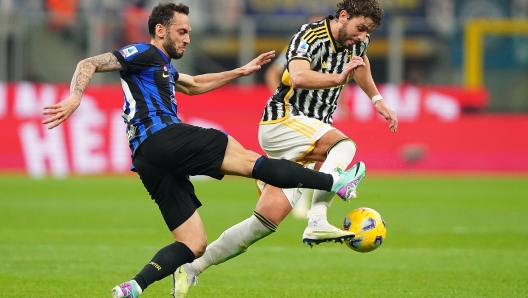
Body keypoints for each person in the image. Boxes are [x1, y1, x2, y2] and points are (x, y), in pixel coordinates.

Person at [41, 3, 365, 298]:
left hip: (146, 159)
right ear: (160, 31)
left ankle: (133, 286)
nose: (187, 39)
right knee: (251, 161)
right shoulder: (143, 52)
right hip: (164, 136)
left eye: (189, 34)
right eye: (182, 32)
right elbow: (89, 63)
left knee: (193, 244)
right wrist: (75, 97)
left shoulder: (162, 68)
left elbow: (194, 84)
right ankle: (333, 183)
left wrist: (239, 72)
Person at [172, 0, 398, 297]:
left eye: (367, 31)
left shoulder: (358, 41)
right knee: (343, 145)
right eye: (359, 28)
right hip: (283, 122)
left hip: (306, 135)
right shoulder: (309, 36)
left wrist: (377, 99)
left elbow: (360, 67)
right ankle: (317, 220)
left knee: (263, 223)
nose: (361, 36)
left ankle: (191, 268)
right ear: (343, 16)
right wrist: (337, 78)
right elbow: (299, 76)